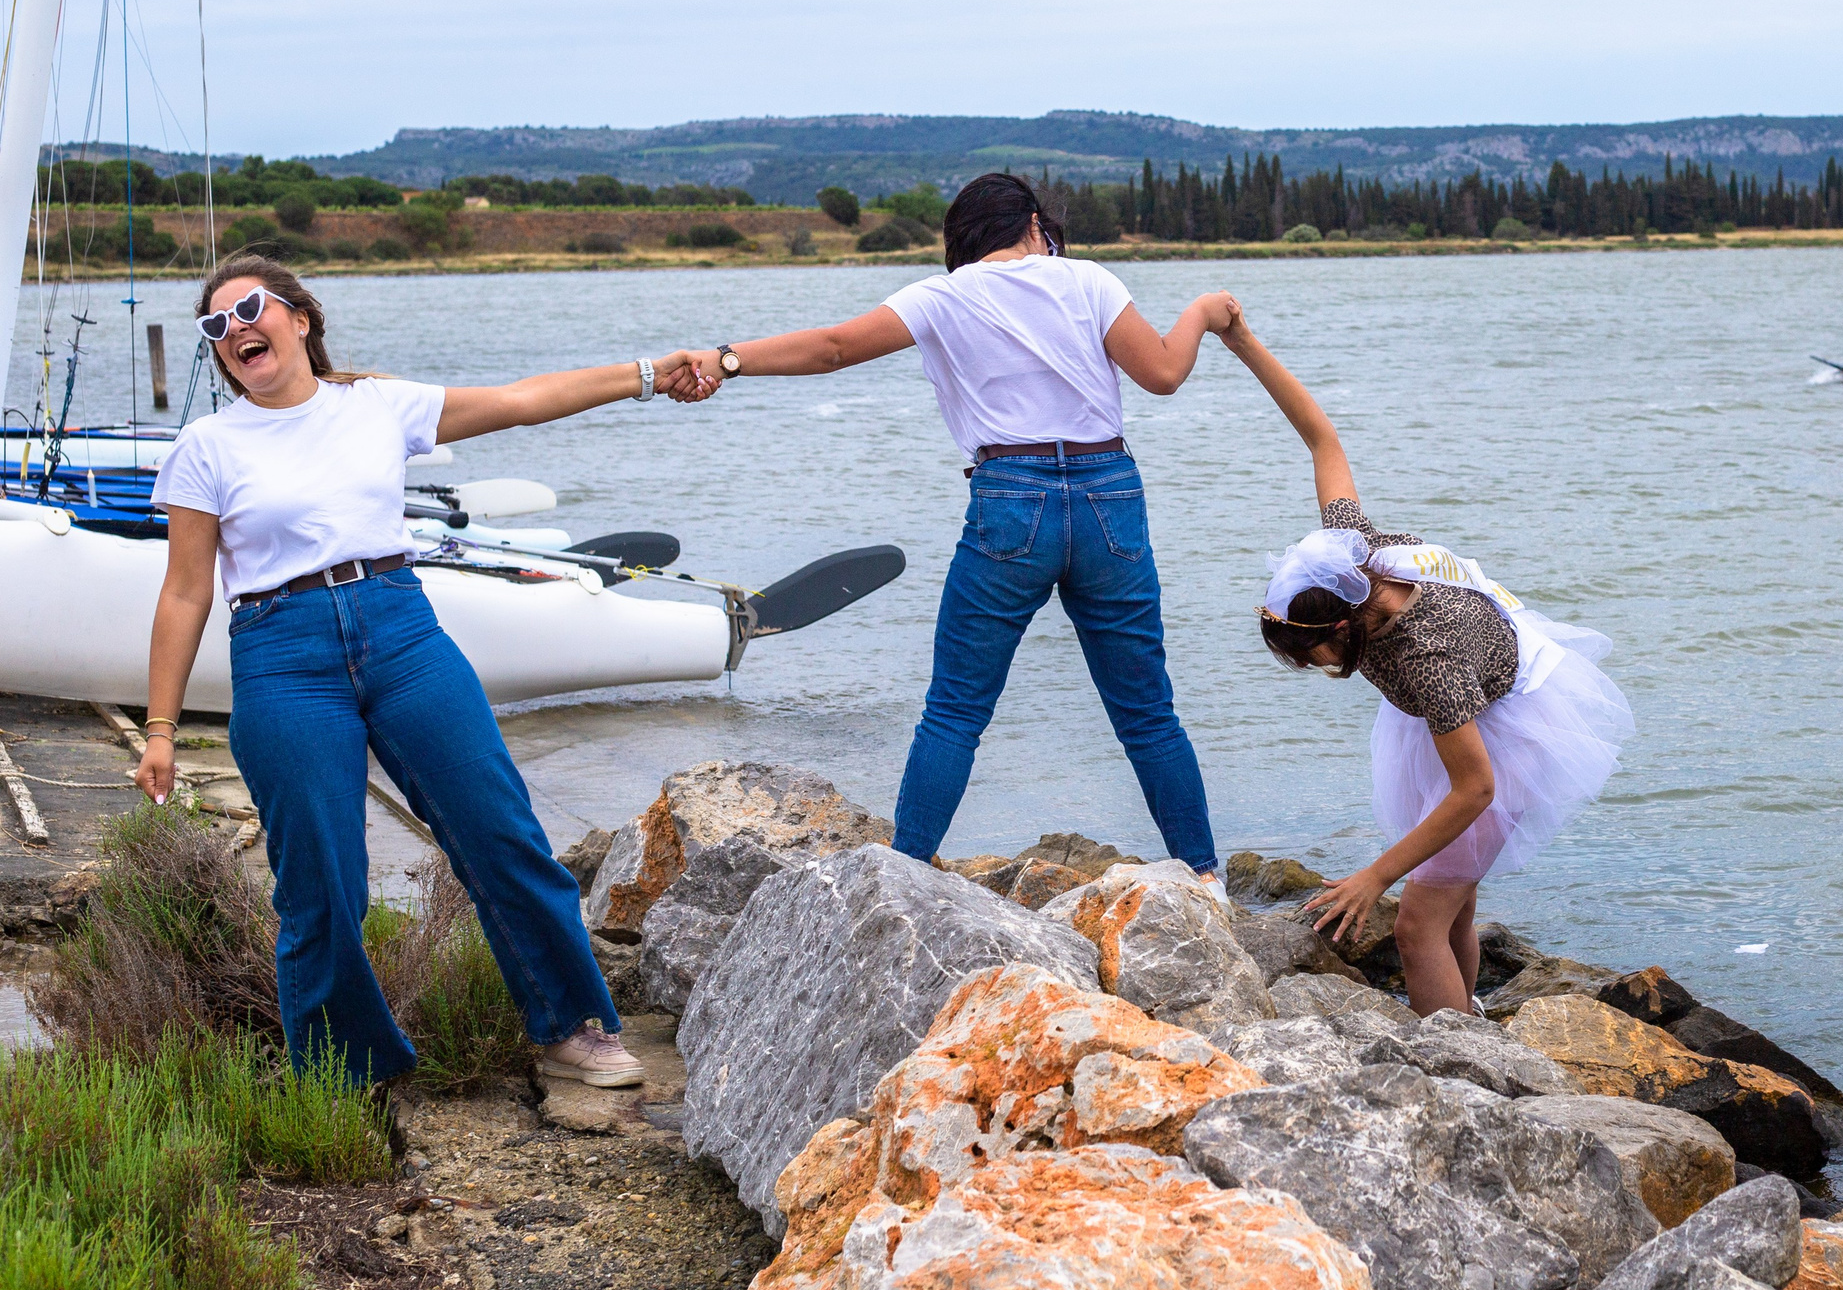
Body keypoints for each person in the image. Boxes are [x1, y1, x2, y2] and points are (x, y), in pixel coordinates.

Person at [143, 255, 714, 1087]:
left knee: (499, 830)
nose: (235, 329)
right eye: (216, 325)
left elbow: (522, 399)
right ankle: (345, 1075)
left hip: (401, 632)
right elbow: (185, 591)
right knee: (321, 882)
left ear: (300, 318)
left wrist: (646, 375)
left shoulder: (376, 404)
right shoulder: (206, 446)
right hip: (280, 655)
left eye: (251, 308)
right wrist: (160, 730)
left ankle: (569, 1028)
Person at [665, 172, 1233, 883]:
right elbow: (1165, 372)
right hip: (1109, 495)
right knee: (1148, 714)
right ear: (1033, 224)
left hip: (1011, 496)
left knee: (956, 711)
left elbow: (833, 347)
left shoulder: (945, 295)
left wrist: (726, 360)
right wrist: (1203, 311)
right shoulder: (1088, 279)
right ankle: (1205, 881)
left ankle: (901, 878)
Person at [1216, 307, 1628, 1018]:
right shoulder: (1356, 554)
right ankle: (1470, 1026)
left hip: (1508, 740)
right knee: (1452, 906)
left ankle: (1459, 1062)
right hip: (1476, 694)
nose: (1312, 669)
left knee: (1415, 925)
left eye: (1311, 655)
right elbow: (1320, 434)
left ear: (1342, 626)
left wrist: (1374, 877)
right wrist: (1243, 342)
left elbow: (1475, 788)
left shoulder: (1424, 660)